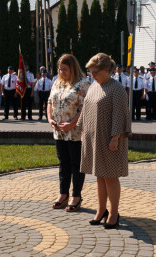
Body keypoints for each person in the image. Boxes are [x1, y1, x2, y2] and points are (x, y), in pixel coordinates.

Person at [81, 53, 131, 229]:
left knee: (110, 177)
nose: (93, 75)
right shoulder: (94, 86)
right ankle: (101, 210)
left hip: (110, 140)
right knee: (100, 176)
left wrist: (115, 138)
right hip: (94, 138)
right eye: (90, 72)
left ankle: (113, 212)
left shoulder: (116, 88)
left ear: (107, 69)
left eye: (95, 72)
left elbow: (120, 114)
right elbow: (86, 109)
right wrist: (82, 129)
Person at [47, 54, 90, 212]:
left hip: (75, 132)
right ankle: (63, 194)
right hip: (59, 132)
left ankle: (76, 196)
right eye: (59, 68)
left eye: (65, 69)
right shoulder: (57, 82)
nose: (61, 71)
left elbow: (85, 108)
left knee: (76, 164)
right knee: (63, 163)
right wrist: (50, 119)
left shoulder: (83, 84)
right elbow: (50, 102)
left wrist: (72, 123)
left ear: (73, 68)